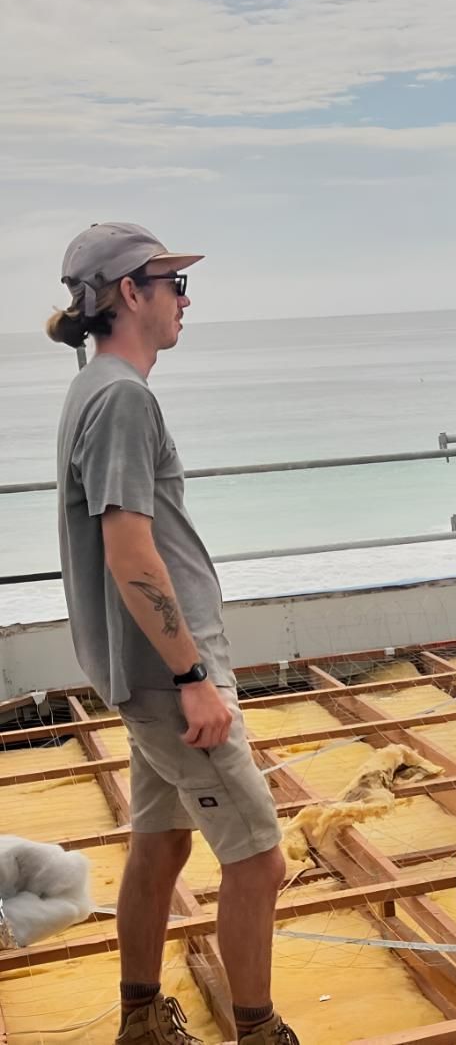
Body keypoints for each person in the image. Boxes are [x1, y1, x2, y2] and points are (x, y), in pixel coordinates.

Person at [48, 223, 298, 1045]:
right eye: (173, 285)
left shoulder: (95, 389)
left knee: (161, 845)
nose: (185, 301)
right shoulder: (122, 398)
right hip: (167, 679)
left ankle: (141, 1020)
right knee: (259, 858)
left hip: (142, 673)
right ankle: (258, 1030)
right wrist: (193, 676)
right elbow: (129, 551)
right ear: (130, 292)